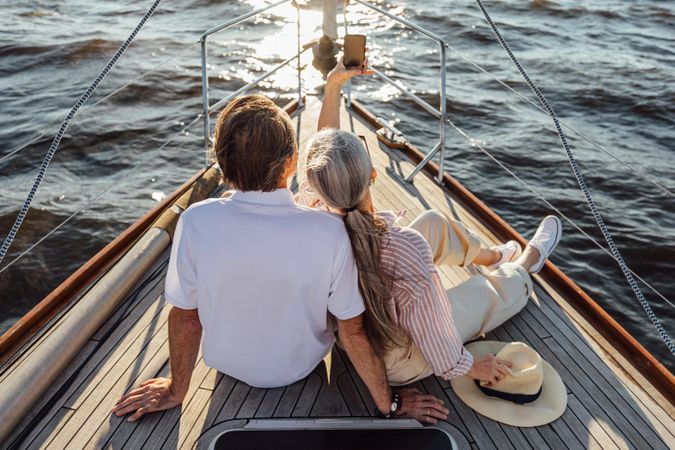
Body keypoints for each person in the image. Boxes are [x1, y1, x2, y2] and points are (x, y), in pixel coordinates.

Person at [112, 94, 448, 423]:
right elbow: (353, 331)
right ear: (291, 163)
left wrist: (175, 389)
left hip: (229, 366)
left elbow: (186, 318)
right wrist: (389, 403)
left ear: (224, 165)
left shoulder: (196, 221)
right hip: (301, 367)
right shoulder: (329, 233)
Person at [297, 58, 563, 389]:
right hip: (396, 359)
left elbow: (325, 149)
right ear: (374, 176)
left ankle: (495, 257)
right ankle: (523, 267)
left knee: (434, 223)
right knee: (483, 293)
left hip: (351, 332)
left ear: (315, 181)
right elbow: (432, 330)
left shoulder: (310, 207)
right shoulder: (405, 249)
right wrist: (466, 365)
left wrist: (334, 85)